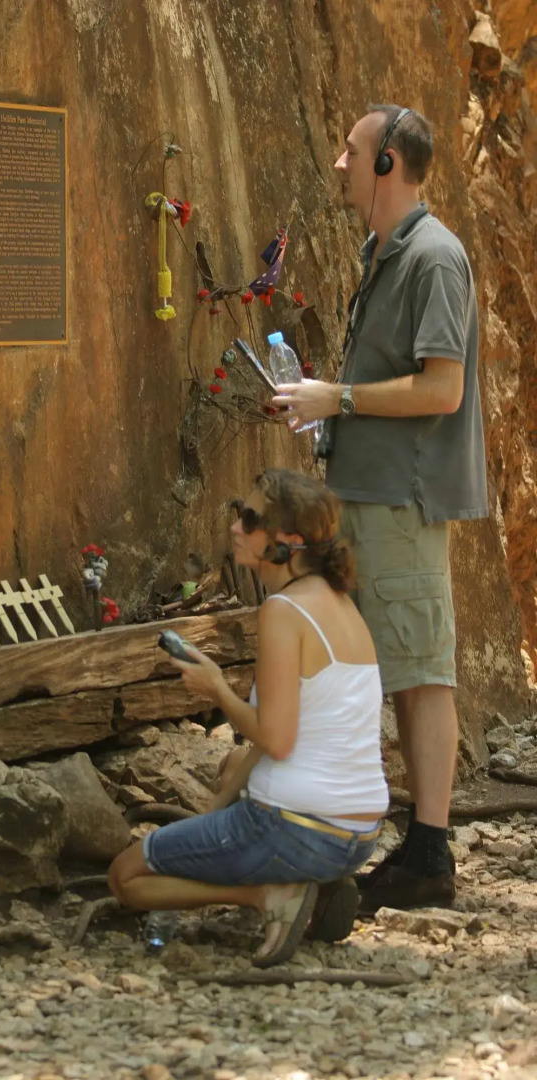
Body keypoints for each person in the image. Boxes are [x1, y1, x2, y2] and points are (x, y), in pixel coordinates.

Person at [272, 105, 489, 911]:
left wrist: (344, 396)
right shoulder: (384, 251)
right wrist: (322, 404)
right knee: (385, 669)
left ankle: (431, 855)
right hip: (365, 493)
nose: (339, 162)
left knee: (422, 672)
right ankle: (386, 840)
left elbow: (443, 386)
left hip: (404, 499)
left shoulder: (434, 257)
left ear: (389, 163)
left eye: (352, 151)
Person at [109, 469, 389, 966]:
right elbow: (272, 741)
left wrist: (217, 687)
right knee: (232, 763)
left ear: (288, 542)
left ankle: (269, 896)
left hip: (296, 827)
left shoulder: (283, 611)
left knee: (125, 877)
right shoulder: (339, 603)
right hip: (359, 832)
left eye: (251, 518)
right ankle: (312, 885)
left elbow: (277, 740)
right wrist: (216, 807)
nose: (236, 526)